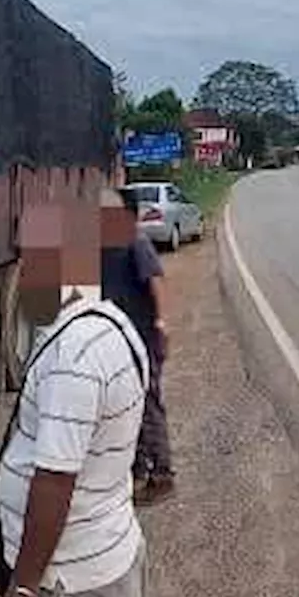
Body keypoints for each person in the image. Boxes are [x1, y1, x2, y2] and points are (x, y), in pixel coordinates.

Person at [0, 195, 172, 597]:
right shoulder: (112, 323)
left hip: (71, 583)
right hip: (111, 555)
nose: (22, 272)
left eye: (32, 259)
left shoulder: (75, 352)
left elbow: (55, 481)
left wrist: (23, 587)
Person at [106, 189, 175, 506]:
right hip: (115, 340)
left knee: (147, 404)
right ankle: (136, 471)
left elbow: (155, 281)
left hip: (142, 337)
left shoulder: (135, 240)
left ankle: (162, 474)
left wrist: (161, 322)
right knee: (123, 406)